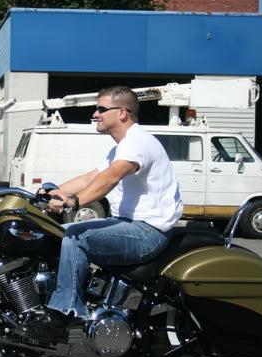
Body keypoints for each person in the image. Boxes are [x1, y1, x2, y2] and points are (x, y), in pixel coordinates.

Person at [20, 86, 183, 339]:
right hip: (128, 225)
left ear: (122, 113)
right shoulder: (121, 147)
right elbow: (91, 177)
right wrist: (43, 194)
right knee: (53, 234)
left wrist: (74, 202)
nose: (95, 114)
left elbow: (110, 178)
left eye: (101, 109)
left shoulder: (137, 143)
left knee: (76, 235)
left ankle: (67, 312)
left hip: (147, 232)